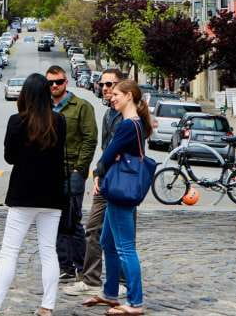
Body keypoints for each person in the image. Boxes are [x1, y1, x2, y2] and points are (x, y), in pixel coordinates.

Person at [0, 74, 67, 316]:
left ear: (25, 95)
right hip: (52, 195)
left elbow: (9, 157)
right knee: (48, 250)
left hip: (23, 194)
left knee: (10, 252)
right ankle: (47, 306)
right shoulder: (59, 121)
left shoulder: (17, 121)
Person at [83, 79, 151, 315]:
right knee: (107, 242)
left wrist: (98, 173)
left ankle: (135, 302)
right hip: (121, 189)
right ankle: (110, 292)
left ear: (130, 96)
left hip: (121, 190)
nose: (112, 97)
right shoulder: (135, 123)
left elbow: (109, 154)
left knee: (125, 248)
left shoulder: (127, 125)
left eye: (117, 95)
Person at [65, 68, 125, 298]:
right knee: (93, 229)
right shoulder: (109, 114)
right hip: (105, 179)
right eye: (103, 84)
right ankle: (90, 279)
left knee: (119, 234)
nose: (106, 88)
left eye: (111, 84)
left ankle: (121, 281)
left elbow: (118, 151)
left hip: (121, 182)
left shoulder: (128, 115)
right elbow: (105, 149)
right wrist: (99, 173)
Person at [46, 64, 98, 283]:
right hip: (50, 172)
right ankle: (64, 266)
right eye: (50, 83)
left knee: (72, 221)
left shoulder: (82, 106)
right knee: (54, 221)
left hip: (73, 172)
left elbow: (90, 139)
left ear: (66, 82)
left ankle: (82, 266)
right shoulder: (44, 107)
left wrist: (80, 168)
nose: (55, 86)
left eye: (59, 82)